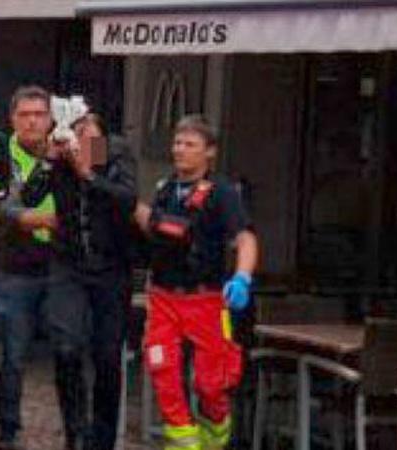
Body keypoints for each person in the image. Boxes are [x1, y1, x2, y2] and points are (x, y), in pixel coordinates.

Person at [134, 115, 259, 450]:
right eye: (177, 143)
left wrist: (242, 277)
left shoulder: (222, 193)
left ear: (210, 153)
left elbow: (245, 238)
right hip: (163, 298)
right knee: (162, 369)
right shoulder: (164, 190)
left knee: (211, 383)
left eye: (190, 144)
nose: (180, 150)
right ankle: (183, 441)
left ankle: (216, 432)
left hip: (206, 300)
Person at [20, 110, 137, 450]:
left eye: (88, 131)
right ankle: (76, 432)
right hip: (68, 265)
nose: (80, 138)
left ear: (101, 134)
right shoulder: (58, 157)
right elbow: (28, 197)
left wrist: (87, 172)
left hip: (111, 268)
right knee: (66, 347)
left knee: (107, 356)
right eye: (75, 130)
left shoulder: (113, 152)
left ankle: (101, 440)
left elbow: (127, 200)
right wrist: (48, 161)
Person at [0, 85, 58, 450]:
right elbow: (3, 209)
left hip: (66, 266)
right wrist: (45, 219)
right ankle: (7, 432)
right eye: (24, 114)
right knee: (13, 354)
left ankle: (79, 431)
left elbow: (104, 186)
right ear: (12, 118)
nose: (32, 121)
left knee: (73, 350)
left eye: (39, 114)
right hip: (15, 266)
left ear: (51, 118)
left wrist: (87, 139)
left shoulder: (74, 142)